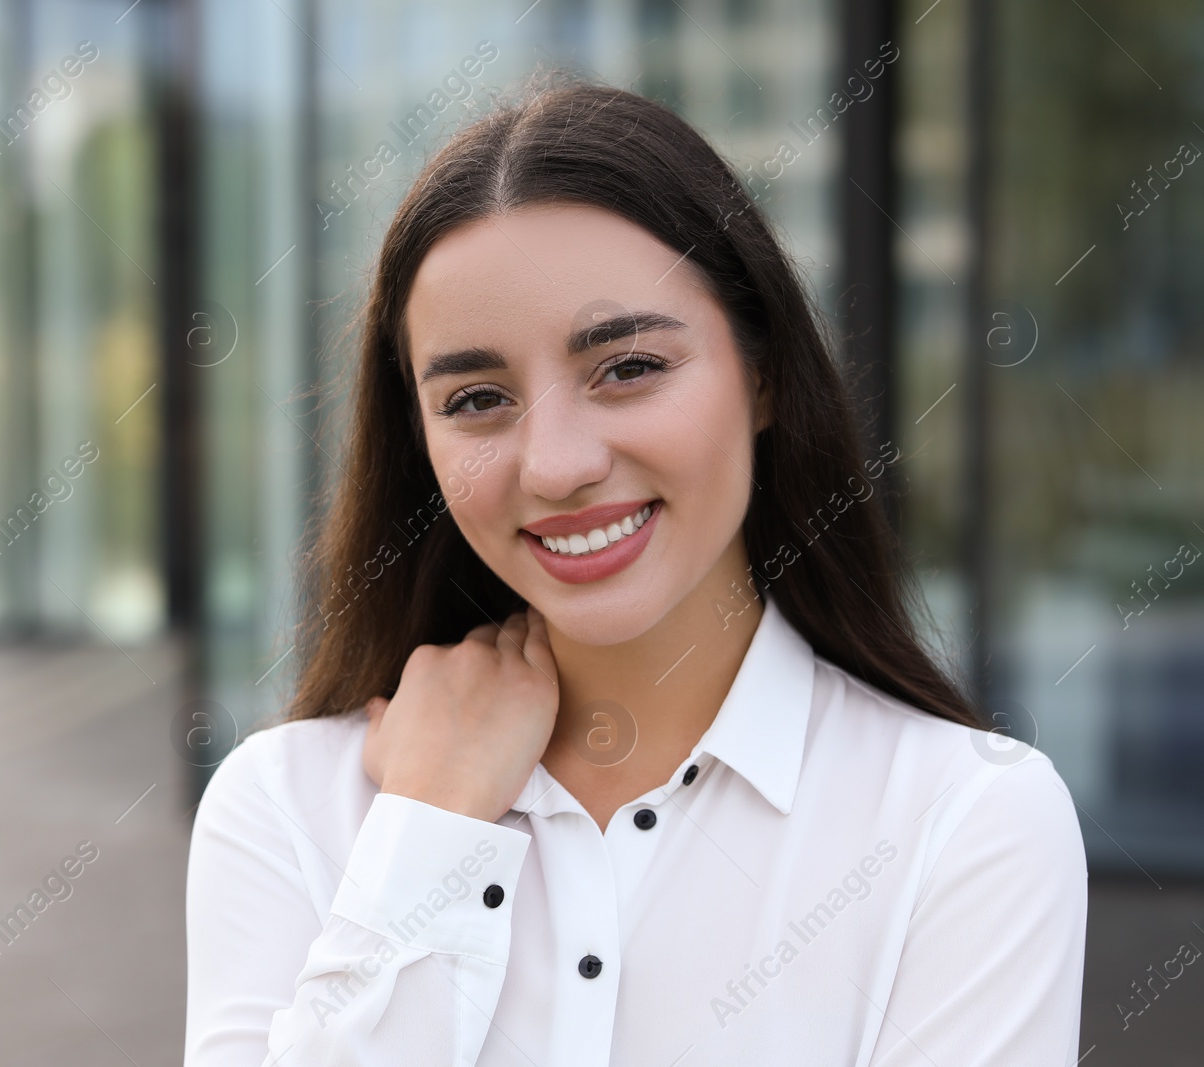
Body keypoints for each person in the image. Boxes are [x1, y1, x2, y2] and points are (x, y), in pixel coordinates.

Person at [184, 80, 1087, 1065]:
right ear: (422, 443)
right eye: (479, 398)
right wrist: (428, 832)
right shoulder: (286, 806)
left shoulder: (965, 823)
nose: (557, 463)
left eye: (628, 367)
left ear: (763, 372)